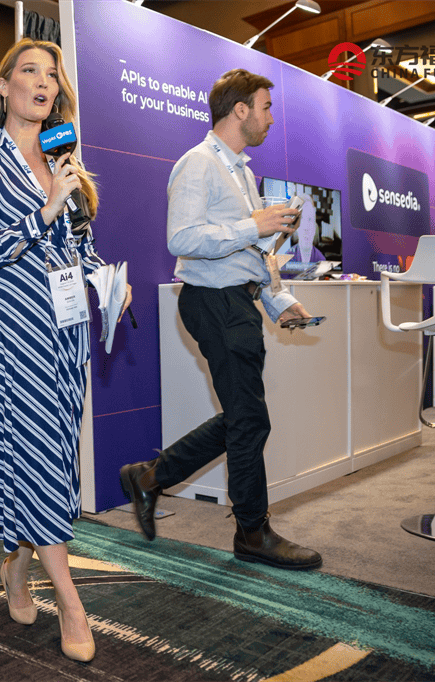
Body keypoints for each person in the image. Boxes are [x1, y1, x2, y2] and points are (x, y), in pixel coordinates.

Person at [0, 38, 130, 662]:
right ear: (4, 87)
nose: (44, 82)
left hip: (66, 330)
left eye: (52, 74)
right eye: (30, 71)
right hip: (12, 333)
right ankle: (70, 602)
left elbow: (81, 246)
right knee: (36, 453)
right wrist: (44, 208)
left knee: (50, 455)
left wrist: (109, 283)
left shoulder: (64, 158)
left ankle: (17, 564)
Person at [119, 69, 322, 571]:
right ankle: (252, 531)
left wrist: (278, 301)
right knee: (249, 419)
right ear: (240, 110)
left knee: (243, 416)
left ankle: (149, 476)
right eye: (266, 107)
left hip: (237, 301)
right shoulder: (198, 163)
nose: (271, 118)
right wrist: (252, 224)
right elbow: (182, 238)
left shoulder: (243, 173)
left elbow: (252, 253)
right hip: (212, 301)